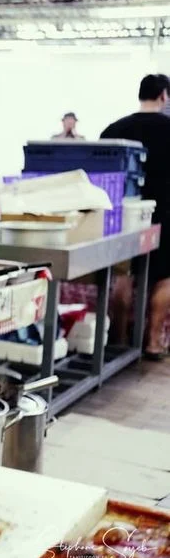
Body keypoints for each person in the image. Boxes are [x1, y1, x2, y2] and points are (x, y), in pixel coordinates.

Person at [101, 74, 170, 360]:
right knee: (165, 278)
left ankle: (116, 340)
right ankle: (152, 342)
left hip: (122, 216)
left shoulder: (113, 130)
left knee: (124, 275)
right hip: (165, 212)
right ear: (164, 96)